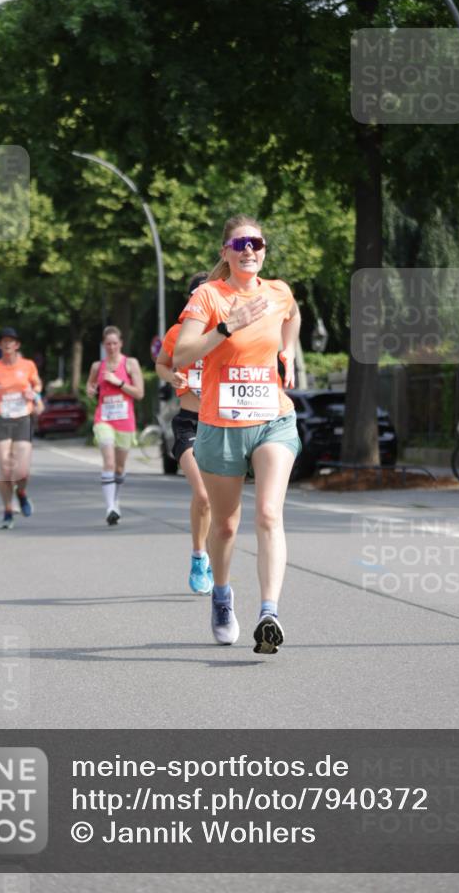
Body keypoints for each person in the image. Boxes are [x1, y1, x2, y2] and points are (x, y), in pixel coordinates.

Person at [174, 215, 301, 654]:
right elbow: (181, 353)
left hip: (273, 420)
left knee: (268, 514)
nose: (250, 249)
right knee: (225, 527)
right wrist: (229, 325)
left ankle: (269, 612)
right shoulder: (209, 296)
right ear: (225, 252)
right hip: (221, 425)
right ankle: (222, 597)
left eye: (257, 242)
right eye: (240, 243)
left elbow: (293, 315)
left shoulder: (279, 292)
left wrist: (289, 351)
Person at [156, 272, 213, 594]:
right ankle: (198, 555)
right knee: (203, 493)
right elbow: (162, 364)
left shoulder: (226, 332)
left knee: (220, 501)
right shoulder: (179, 332)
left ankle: (214, 550)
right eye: (197, 295)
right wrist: (172, 377)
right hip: (190, 422)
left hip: (221, 423)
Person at [0, 327, 42, 529]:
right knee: (5, 470)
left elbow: (37, 385)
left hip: (23, 418)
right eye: (4, 341)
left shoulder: (28, 365)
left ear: (17, 345)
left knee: (22, 472)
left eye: (11, 341)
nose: (8, 344)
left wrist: (33, 393)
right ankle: (8, 510)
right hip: (2, 420)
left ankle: (22, 493)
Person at [86, 326, 144, 526]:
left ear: (120, 343)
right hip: (104, 419)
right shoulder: (97, 366)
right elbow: (90, 387)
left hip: (125, 420)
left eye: (114, 343)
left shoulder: (130, 363)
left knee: (119, 467)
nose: (111, 347)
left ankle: (115, 500)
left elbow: (139, 393)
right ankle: (110, 507)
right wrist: (91, 390)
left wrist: (118, 382)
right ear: (104, 345)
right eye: (107, 344)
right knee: (109, 463)